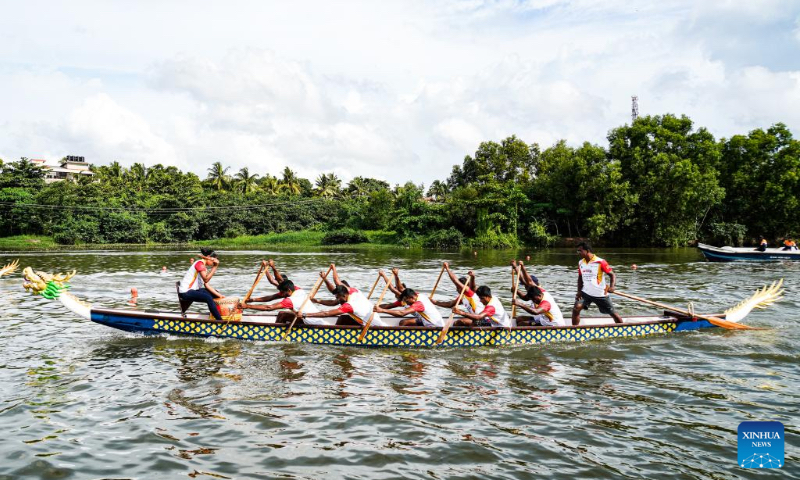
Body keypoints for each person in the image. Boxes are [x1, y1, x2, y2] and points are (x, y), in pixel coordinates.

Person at [572, 242, 623, 325]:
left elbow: (612, 275)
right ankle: (574, 330)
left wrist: (612, 287)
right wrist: (579, 291)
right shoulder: (580, 262)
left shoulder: (600, 262)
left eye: (580, 251)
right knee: (576, 309)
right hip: (585, 292)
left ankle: (622, 327)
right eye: (577, 251)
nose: (578, 253)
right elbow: (580, 278)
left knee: (613, 313)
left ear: (587, 250)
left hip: (600, 294)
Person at [241, 279, 326, 324]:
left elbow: (269, 307)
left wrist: (247, 306)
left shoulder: (290, 300)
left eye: (283, 292)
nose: (281, 295)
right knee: (281, 313)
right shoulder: (299, 290)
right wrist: (252, 300)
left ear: (289, 290)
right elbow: (272, 297)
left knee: (283, 315)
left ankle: (275, 332)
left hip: (310, 322)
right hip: (315, 319)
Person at [306, 283, 386, 326]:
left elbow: (326, 313)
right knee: (343, 318)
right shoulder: (355, 291)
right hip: (375, 321)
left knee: (342, 318)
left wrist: (305, 315)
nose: (337, 300)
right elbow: (332, 302)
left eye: (338, 298)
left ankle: (334, 334)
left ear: (344, 295)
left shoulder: (349, 306)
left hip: (373, 327)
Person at [177, 247, 224, 320]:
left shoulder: (203, 266)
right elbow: (206, 279)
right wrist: (215, 267)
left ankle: (218, 315)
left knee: (213, 294)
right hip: (186, 291)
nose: (213, 263)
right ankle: (220, 321)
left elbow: (207, 285)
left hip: (193, 290)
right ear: (208, 257)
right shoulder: (199, 264)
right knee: (208, 298)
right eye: (213, 261)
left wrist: (220, 296)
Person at [375, 288, 444, 327]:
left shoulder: (419, 303)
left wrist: (382, 311)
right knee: (403, 322)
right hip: (425, 321)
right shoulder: (419, 295)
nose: (406, 303)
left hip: (435, 326)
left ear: (412, 297)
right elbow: (402, 289)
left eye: (406, 300)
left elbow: (402, 313)